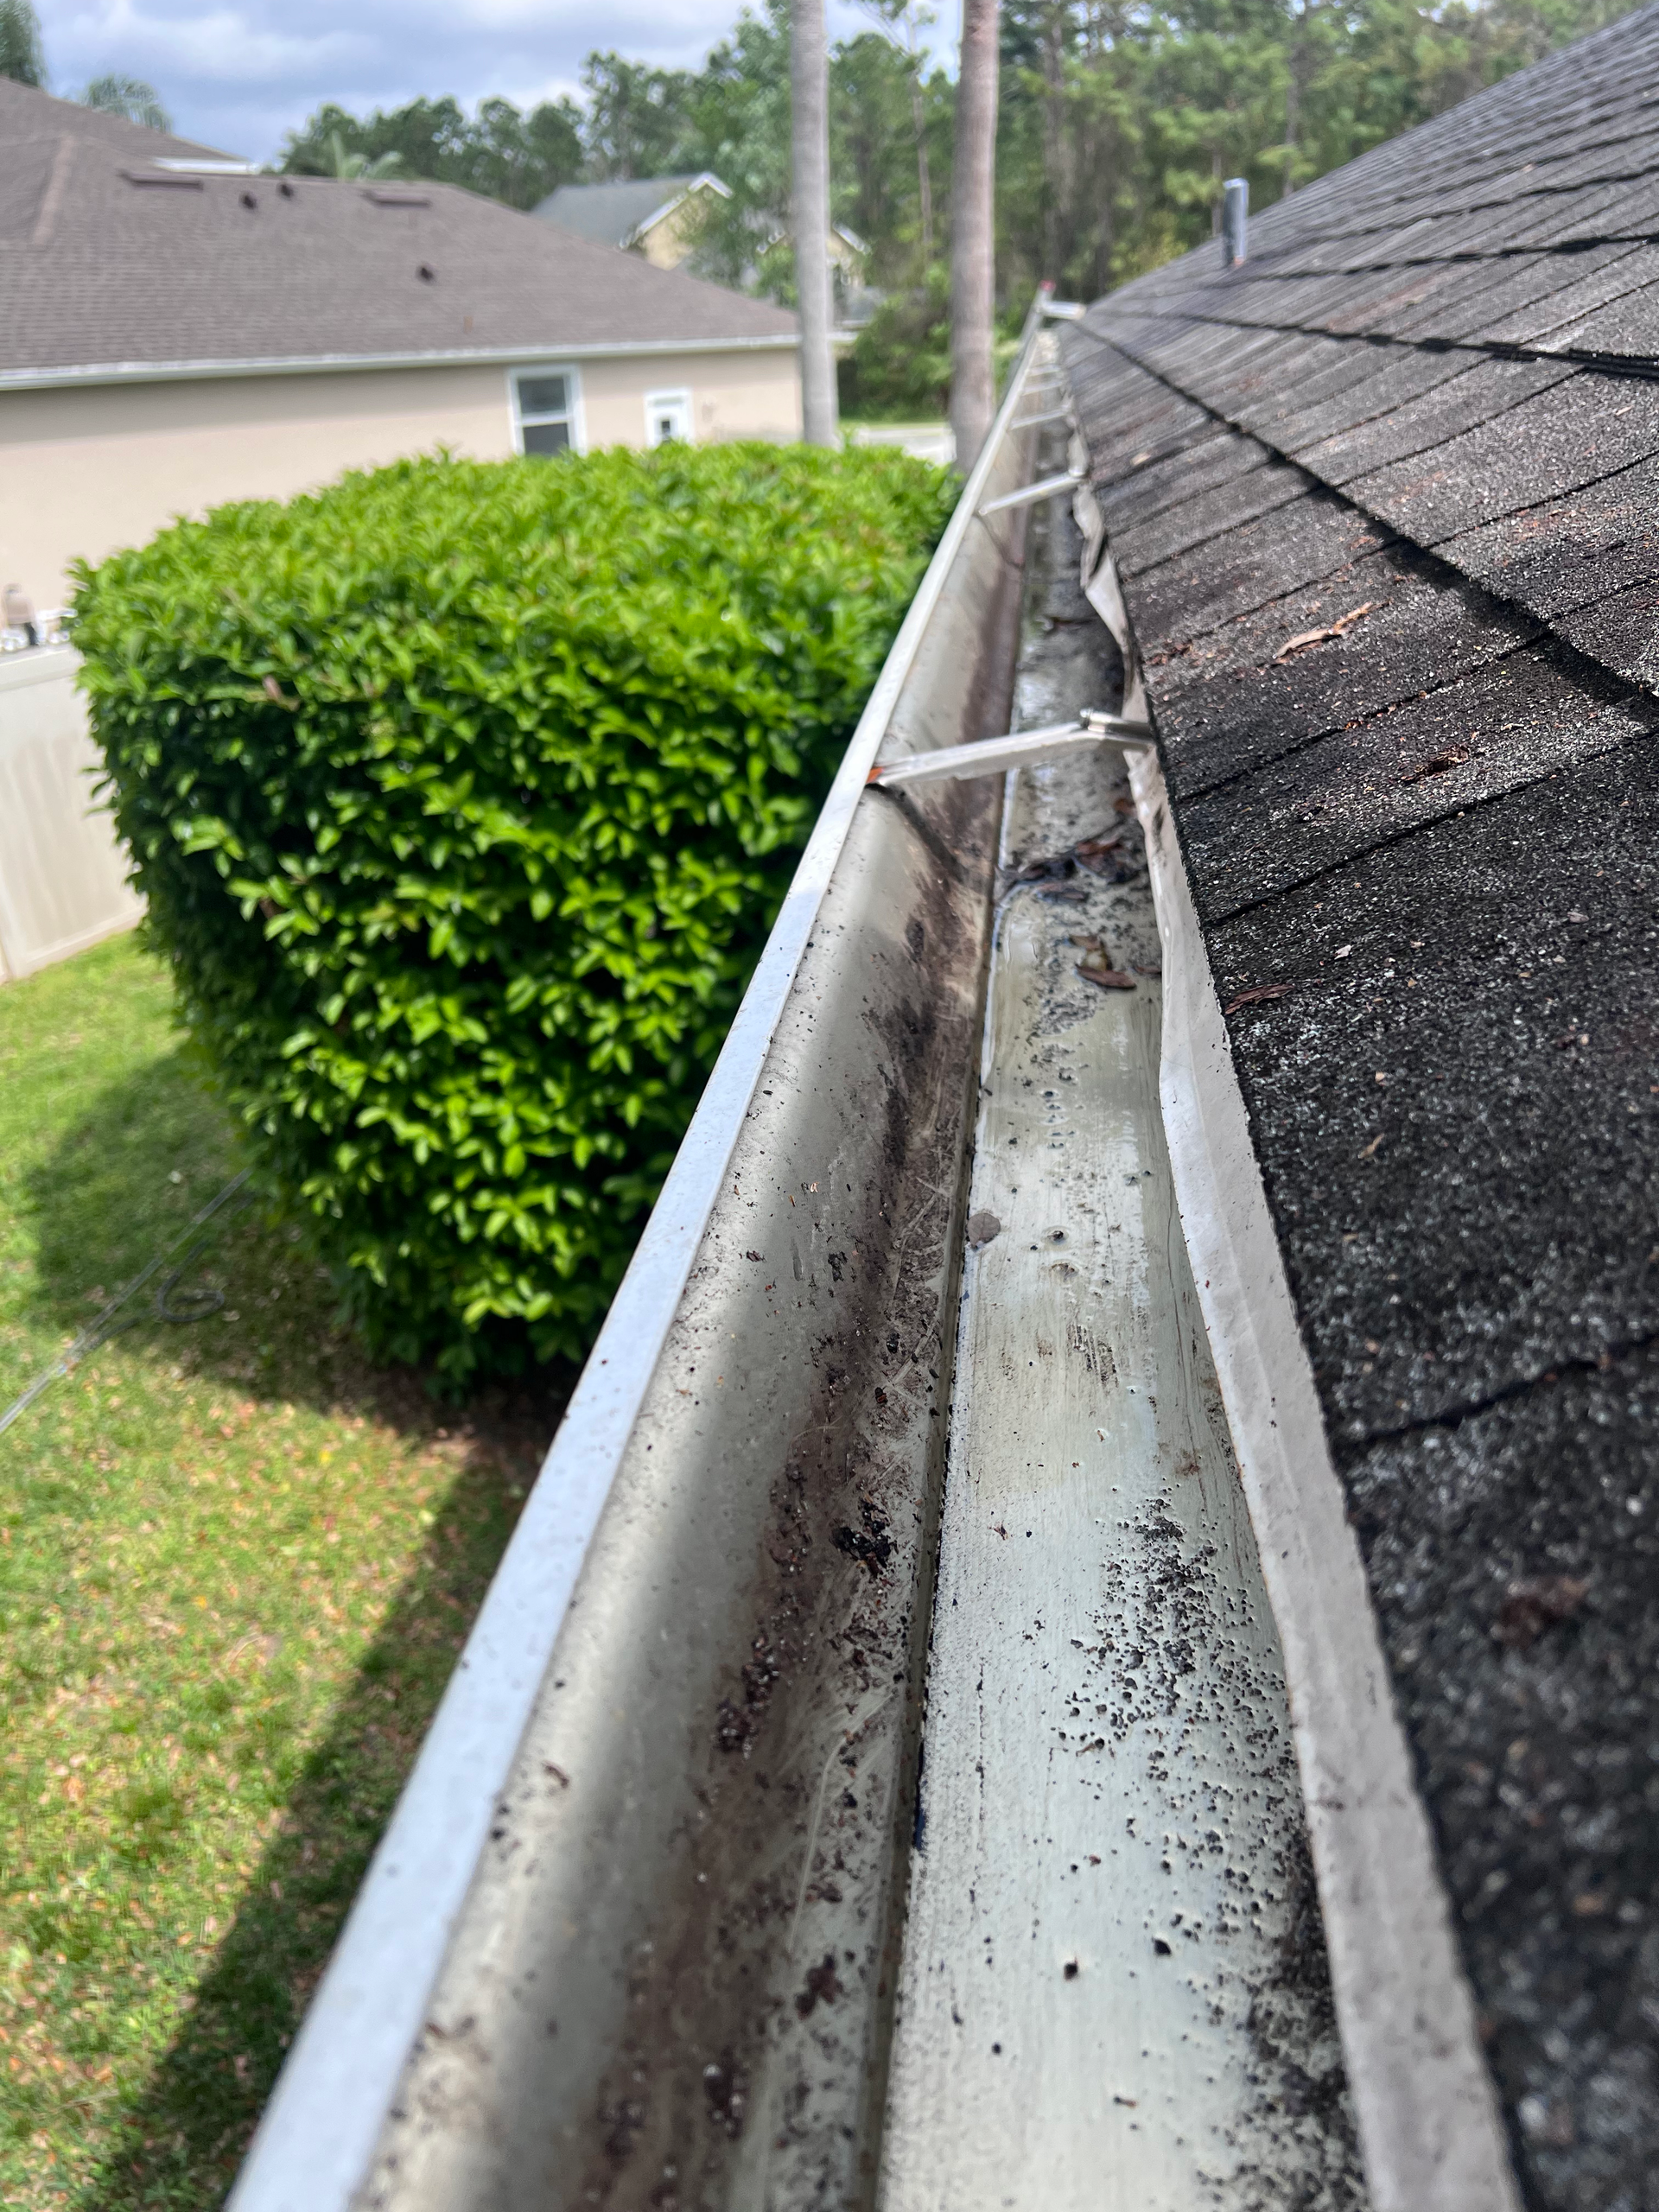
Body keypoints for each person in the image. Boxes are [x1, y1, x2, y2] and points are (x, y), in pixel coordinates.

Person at [3, 585, 38, 649]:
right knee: (30, 631)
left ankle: (30, 643)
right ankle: (32, 643)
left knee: (26, 631)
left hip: (14, 621)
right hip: (25, 620)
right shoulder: (22, 598)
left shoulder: (8, 600)